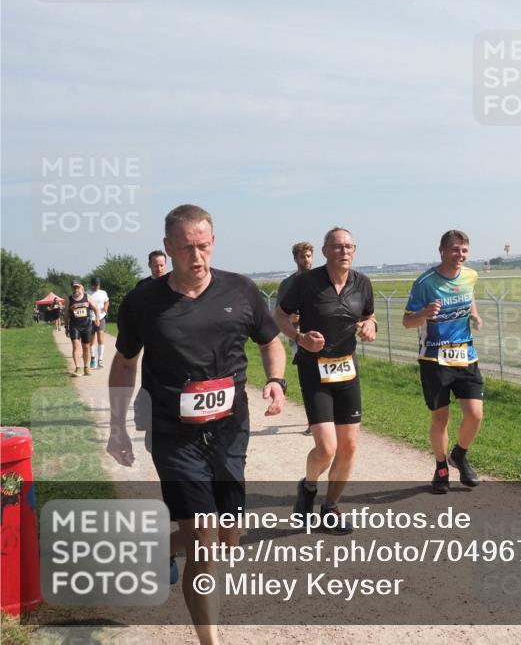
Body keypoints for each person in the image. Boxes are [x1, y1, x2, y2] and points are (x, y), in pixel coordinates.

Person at [105, 204, 287, 645]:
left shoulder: (240, 291)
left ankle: (163, 548)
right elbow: (126, 363)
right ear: (168, 248)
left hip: (228, 430)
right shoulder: (143, 302)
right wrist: (116, 425)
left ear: (213, 242)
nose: (197, 255)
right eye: (186, 247)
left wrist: (277, 381)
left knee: (228, 535)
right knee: (204, 540)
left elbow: (271, 343)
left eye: (203, 245)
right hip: (172, 432)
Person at [274, 228, 376, 532]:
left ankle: (331, 506)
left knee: (349, 447)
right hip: (314, 370)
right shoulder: (306, 283)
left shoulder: (362, 283)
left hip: (347, 370)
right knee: (327, 448)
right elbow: (279, 315)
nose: (344, 251)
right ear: (325, 250)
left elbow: (368, 315)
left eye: (349, 246)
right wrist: (299, 337)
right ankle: (307, 486)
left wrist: (370, 325)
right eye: (337, 246)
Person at [402, 230, 484, 494]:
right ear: (442, 251)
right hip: (434, 359)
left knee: (475, 414)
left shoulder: (471, 275)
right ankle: (441, 467)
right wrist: (425, 313)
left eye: (464, 250)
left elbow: (468, 296)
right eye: (454, 250)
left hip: (465, 355)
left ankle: (459, 455)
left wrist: (475, 316)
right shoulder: (425, 282)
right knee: (441, 418)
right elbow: (407, 321)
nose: (459, 255)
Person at [133, 250, 170, 450]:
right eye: (156, 265)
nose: (159, 268)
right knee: (152, 378)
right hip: (152, 341)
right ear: (149, 265)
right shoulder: (142, 287)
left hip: (173, 340)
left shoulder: (175, 283)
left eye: (162, 265)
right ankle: (147, 419)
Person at [277, 241, 313, 434]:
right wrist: (291, 318)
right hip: (298, 337)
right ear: (295, 259)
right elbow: (279, 313)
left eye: (309, 256)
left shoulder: (322, 278)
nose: (306, 260)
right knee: (308, 378)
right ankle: (312, 421)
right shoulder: (288, 284)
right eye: (302, 256)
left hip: (322, 335)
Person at [65, 281, 98, 376]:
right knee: (75, 345)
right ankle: (78, 368)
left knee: (86, 346)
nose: (76, 289)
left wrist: (97, 319)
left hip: (86, 325)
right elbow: (66, 314)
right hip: (74, 325)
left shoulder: (87, 297)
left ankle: (86, 368)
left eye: (77, 287)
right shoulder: (69, 299)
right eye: (74, 287)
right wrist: (66, 326)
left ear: (81, 288)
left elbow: (96, 308)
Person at [86, 277, 110, 368]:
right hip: (90, 318)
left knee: (100, 337)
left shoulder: (103, 293)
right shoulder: (87, 293)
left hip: (101, 317)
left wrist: (105, 308)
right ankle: (93, 358)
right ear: (91, 284)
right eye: (95, 285)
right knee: (92, 340)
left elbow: (107, 301)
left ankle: (100, 360)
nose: (96, 287)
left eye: (98, 285)